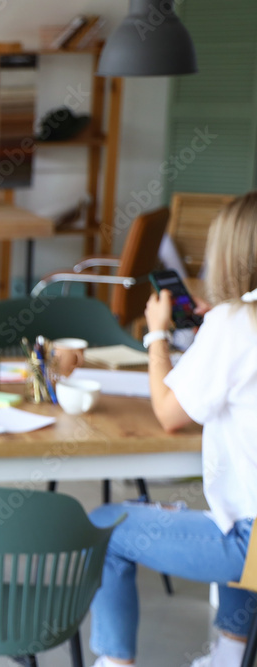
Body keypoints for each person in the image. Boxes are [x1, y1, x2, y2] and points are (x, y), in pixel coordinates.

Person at [88, 191, 257, 667]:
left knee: (107, 524)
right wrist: (214, 333)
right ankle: (229, 655)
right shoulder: (231, 323)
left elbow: (168, 412)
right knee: (231, 505)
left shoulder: (236, 322)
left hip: (253, 543)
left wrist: (158, 333)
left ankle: (115, 664)